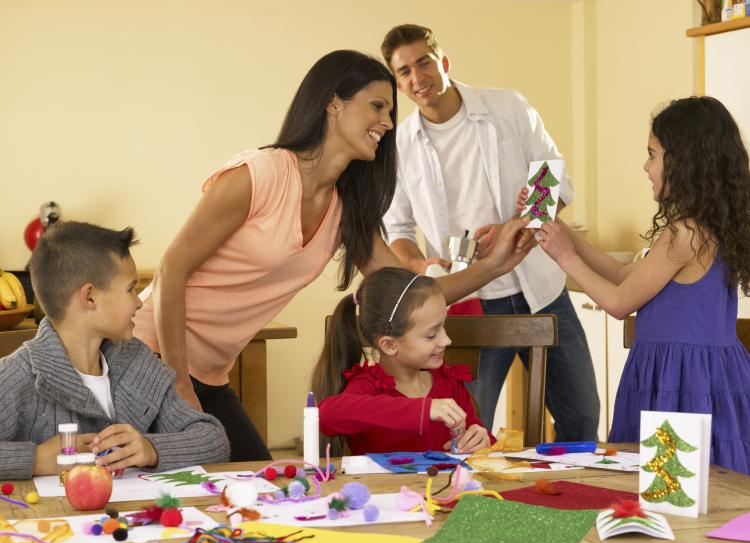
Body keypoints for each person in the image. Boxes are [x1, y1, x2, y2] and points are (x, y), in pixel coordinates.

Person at [133, 50, 534, 462]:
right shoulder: (261, 175)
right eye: (377, 106)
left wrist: (496, 265)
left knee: (258, 484)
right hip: (148, 356)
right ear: (333, 102)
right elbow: (171, 270)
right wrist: (179, 384)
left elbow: (411, 295)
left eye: (390, 111)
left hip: (209, 375)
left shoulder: (345, 209)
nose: (388, 122)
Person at [379, 24, 599, 440]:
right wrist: (418, 263)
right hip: (467, 305)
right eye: (404, 71)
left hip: (543, 293)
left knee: (582, 417)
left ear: (443, 61)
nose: (416, 77)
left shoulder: (507, 107)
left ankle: (572, 500)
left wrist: (518, 229)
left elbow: (551, 173)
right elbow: (398, 227)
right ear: (398, 84)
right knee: (464, 428)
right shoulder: (398, 145)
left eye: (423, 62)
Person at [536, 97, 750, 475]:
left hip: (679, 383)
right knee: (708, 481)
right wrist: (564, 234)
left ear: (682, 162)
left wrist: (565, 258)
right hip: (704, 376)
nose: (646, 166)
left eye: (652, 155)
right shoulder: (709, 228)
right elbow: (625, 278)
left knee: (670, 483)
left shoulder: (684, 234)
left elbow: (619, 302)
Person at [0, 221, 229, 480]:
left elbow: (214, 441)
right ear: (90, 297)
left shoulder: (138, 362)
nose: (139, 302)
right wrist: (36, 459)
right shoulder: (16, 376)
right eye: (131, 289)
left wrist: (150, 449)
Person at [313, 267, 493, 455]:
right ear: (389, 345)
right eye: (431, 335)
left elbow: (480, 440)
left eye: (443, 327)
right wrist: (424, 409)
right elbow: (327, 415)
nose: (446, 340)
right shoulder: (369, 387)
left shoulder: (450, 383)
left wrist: (482, 439)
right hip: (381, 485)